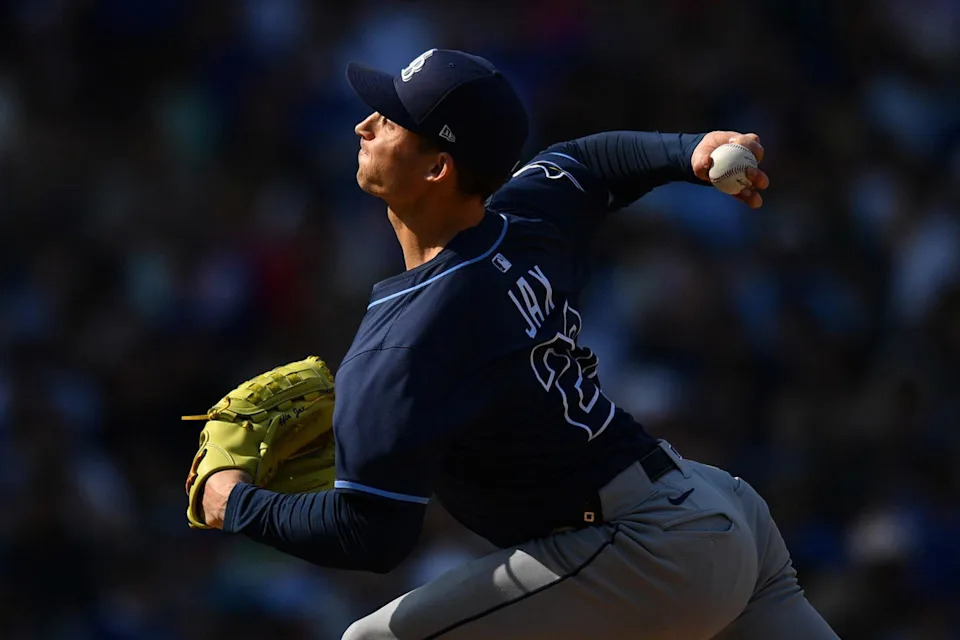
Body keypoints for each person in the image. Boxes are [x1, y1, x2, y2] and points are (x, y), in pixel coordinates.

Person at [199, 48, 839, 639]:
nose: (366, 123)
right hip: (717, 509)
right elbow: (590, 162)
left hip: (647, 551)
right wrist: (687, 149)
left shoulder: (406, 342)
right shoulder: (525, 215)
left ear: (438, 168)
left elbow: (371, 537)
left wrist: (236, 502)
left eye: (392, 119)